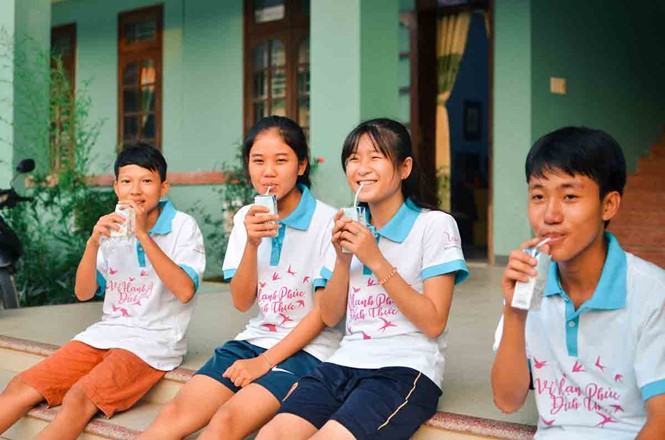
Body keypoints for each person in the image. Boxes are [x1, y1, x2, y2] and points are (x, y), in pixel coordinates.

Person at [257, 118, 469, 440]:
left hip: (404, 368)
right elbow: (328, 315)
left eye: (375, 156)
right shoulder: (347, 223)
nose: (361, 167)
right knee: (271, 434)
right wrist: (343, 260)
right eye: (354, 158)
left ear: (404, 167)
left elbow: (434, 322)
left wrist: (374, 258)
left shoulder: (434, 226)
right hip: (344, 361)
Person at [139, 116, 341, 440]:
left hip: (310, 350)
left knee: (226, 420)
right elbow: (242, 300)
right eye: (258, 161)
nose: (268, 172)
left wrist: (264, 363)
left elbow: (323, 315)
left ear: (301, 165)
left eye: (281, 160)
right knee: (174, 413)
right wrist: (251, 242)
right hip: (254, 340)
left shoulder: (329, 222)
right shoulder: (246, 217)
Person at [0, 143, 206, 440]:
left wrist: (143, 236)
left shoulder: (183, 227)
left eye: (146, 181)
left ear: (164, 187)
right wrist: (93, 242)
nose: (136, 190)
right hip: (105, 334)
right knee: (20, 387)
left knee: (78, 398)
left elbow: (185, 291)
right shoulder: (111, 226)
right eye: (127, 181)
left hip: (152, 343)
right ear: (116, 187)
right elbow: (83, 293)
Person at [491, 126, 665, 439]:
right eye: (538, 196)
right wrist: (515, 313)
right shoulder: (530, 284)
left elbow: (662, 421)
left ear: (608, 205)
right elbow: (507, 400)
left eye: (570, 196)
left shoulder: (652, 292)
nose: (550, 215)